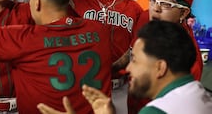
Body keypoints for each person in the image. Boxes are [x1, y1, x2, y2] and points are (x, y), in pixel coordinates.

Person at [9, 0, 143, 114]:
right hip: (85, 88)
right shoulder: (76, 0)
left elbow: (136, 48)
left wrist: (117, 65)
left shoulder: (134, 9)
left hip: (120, 87)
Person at [38, 20, 212, 114]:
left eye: (135, 60)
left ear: (160, 68)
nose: (128, 68)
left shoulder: (158, 111)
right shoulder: (200, 95)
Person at [127, 0, 204, 114]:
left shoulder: (189, 59)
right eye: (153, 0)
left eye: (166, 4)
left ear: (183, 13)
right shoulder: (147, 19)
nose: (156, 8)